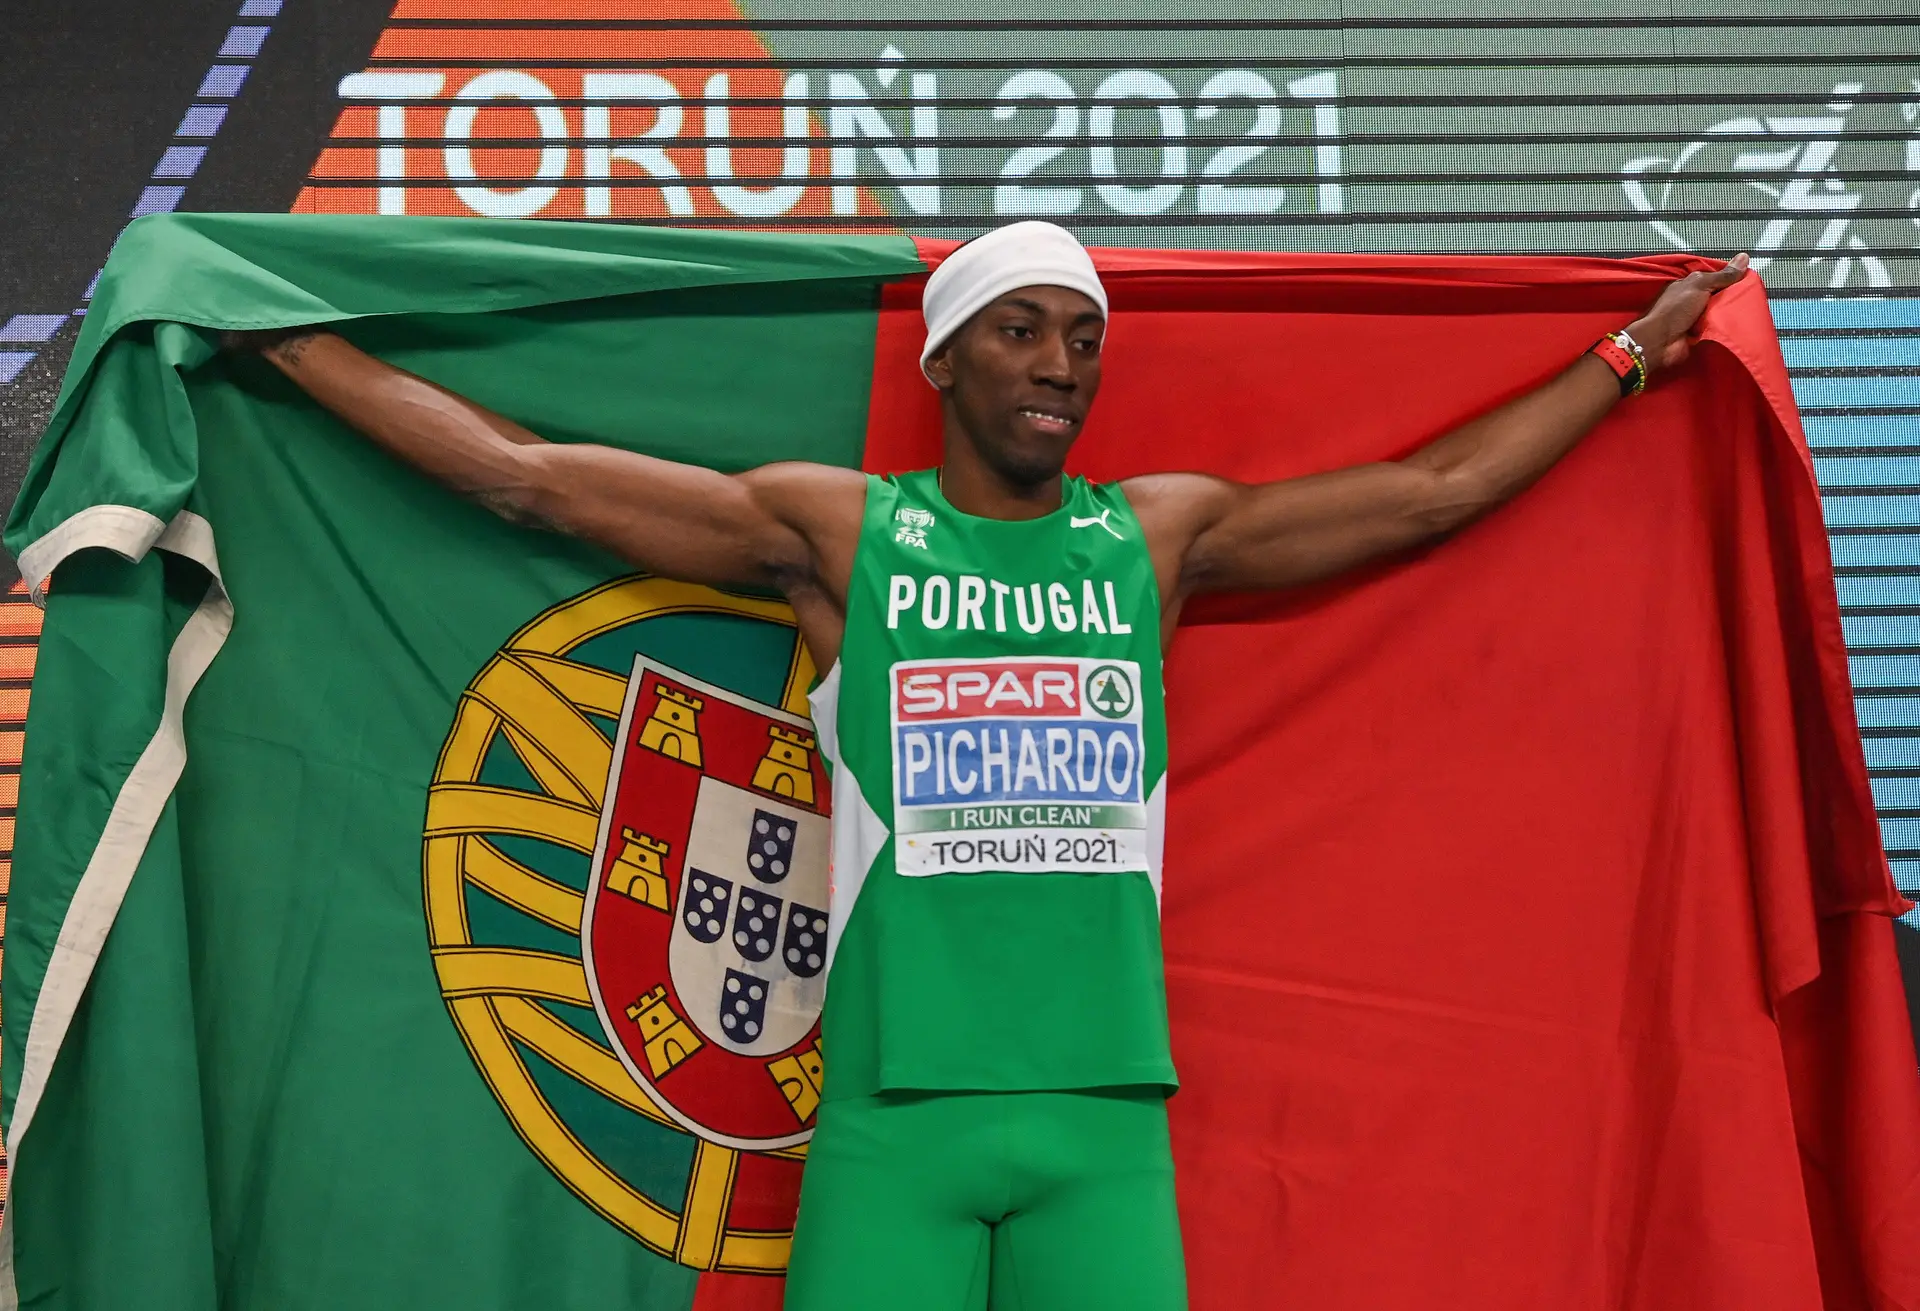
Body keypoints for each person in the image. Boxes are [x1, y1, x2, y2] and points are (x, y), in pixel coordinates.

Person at [233, 221, 1748, 1311]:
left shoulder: (1156, 536)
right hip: (899, 1111)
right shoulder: (842, 534)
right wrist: (278, 338)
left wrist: (1631, 348)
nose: (1061, 364)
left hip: (1104, 1116)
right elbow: (531, 483)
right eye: (1022, 329)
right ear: (948, 356)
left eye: (1085, 338)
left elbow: (1429, 494)